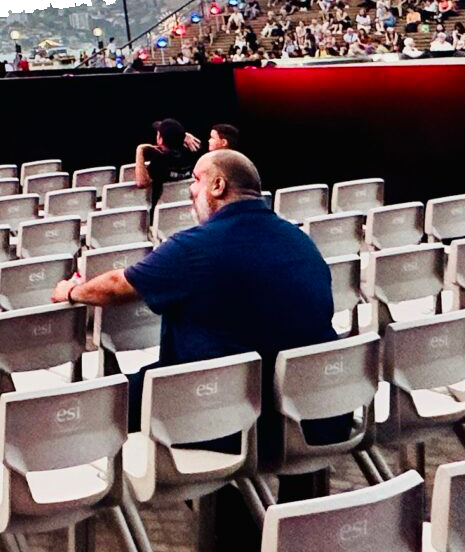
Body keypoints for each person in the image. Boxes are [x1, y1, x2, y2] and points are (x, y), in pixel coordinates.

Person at [51, 150, 339, 536]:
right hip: (315, 413)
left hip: (224, 418)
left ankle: (72, 513)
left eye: (196, 182)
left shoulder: (195, 247)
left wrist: (72, 292)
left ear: (219, 185)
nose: (189, 191)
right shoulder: (301, 242)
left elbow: (120, 285)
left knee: (98, 402)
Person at [132, 117, 202, 208]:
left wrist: (139, 150)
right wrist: (182, 135)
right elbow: (196, 144)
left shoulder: (160, 160)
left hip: (162, 214)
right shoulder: (191, 154)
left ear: (160, 139)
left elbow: (142, 183)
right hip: (187, 209)